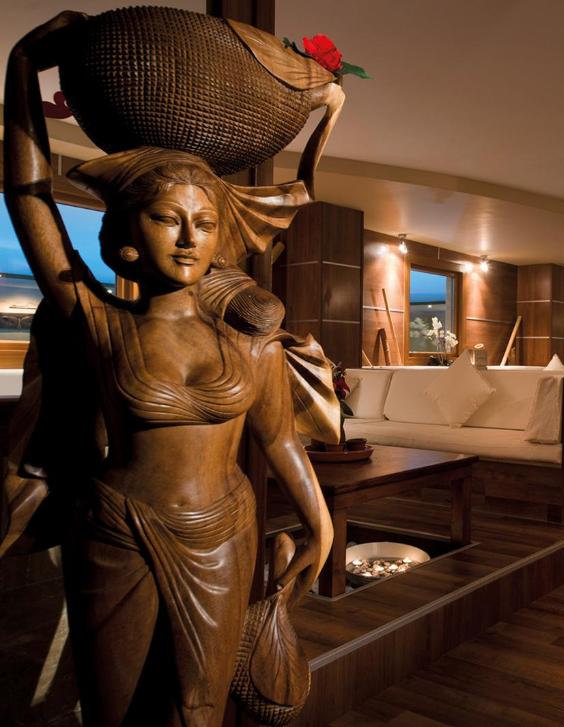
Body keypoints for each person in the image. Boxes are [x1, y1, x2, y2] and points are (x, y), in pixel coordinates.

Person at [3, 12, 336, 725]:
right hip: (117, 529)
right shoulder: (98, 321)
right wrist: (23, 65)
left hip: (225, 530)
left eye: (204, 223)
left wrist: (320, 519)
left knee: (198, 712)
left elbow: (279, 439)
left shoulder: (249, 338)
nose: (189, 238)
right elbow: (28, 195)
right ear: (128, 231)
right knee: (113, 710)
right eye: (165, 218)